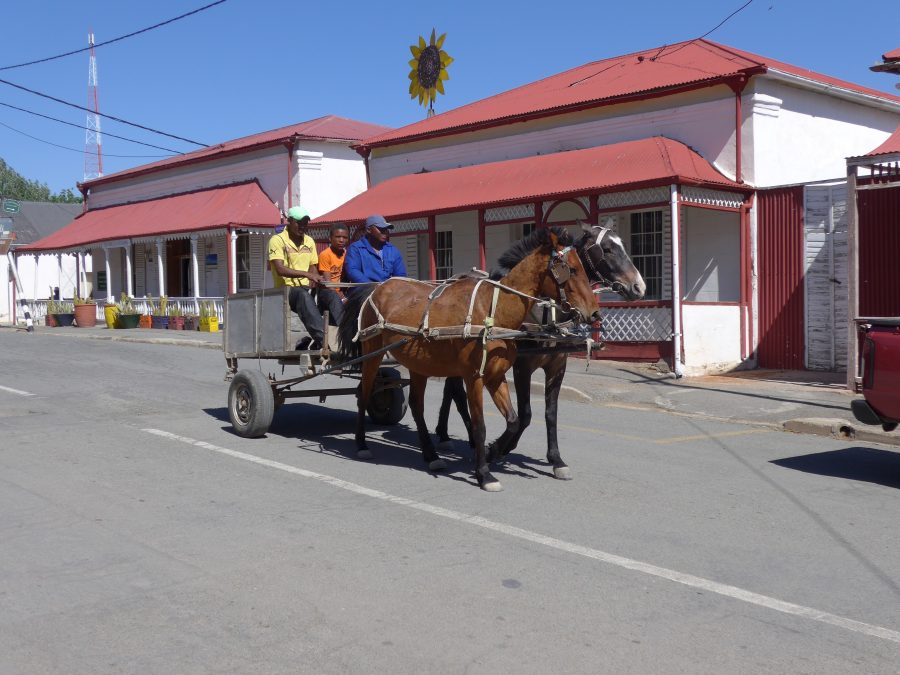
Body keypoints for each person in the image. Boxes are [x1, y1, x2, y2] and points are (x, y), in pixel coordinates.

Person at [267, 205, 327, 349]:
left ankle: (344, 338)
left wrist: (314, 279)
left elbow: (313, 265)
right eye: (299, 222)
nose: (302, 226)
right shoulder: (277, 240)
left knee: (330, 294)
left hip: (305, 288)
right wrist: (307, 274)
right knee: (301, 295)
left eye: (305, 223)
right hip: (285, 291)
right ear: (290, 221)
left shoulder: (309, 241)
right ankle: (324, 340)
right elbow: (280, 269)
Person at [344, 214, 407, 288]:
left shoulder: (393, 250)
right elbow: (353, 271)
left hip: (388, 291)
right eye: (381, 229)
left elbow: (401, 275)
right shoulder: (355, 248)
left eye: (386, 229)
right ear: (369, 230)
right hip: (363, 290)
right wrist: (372, 286)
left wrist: (391, 288)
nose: (385, 232)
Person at [316, 223, 349, 324]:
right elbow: (328, 284)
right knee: (332, 295)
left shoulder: (347, 254)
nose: (341, 240)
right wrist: (342, 297)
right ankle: (345, 329)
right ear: (330, 238)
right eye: (338, 237)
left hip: (342, 291)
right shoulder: (325, 255)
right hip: (327, 292)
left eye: (344, 237)